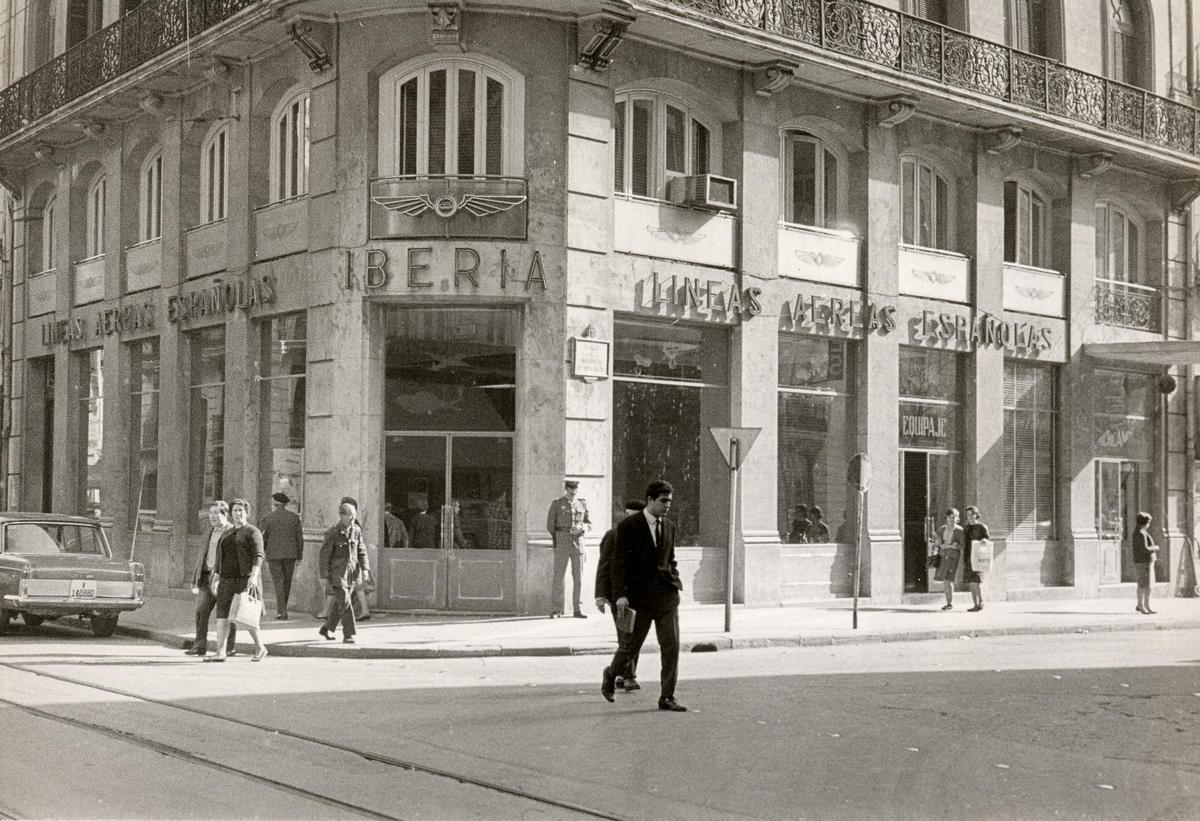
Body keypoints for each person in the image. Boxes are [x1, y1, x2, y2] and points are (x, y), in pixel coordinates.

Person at [601, 480, 687, 712]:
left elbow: (670, 559)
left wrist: (674, 580)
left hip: (667, 597)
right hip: (640, 599)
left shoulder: (669, 526)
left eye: (669, 501)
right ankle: (610, 674)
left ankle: (667, 696)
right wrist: (620, 595)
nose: (667, 505)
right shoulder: (629, 526)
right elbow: (618, 564)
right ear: (650, 500)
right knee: (630, 647)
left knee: (671, 647)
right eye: (663, 501)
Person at [206, 498, 268, 662]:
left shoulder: (252, 532)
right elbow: (221, 557)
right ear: (230, 513)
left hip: (245, 579)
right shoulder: (227, 533)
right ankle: (220, 652)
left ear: (247, 513)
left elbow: (258, 555)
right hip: (226, 580)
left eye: (241, 510)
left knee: (247, 616)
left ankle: (260, 647)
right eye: (234, 510)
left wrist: (254, 576)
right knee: (222, 615)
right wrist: (216, 576)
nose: (238, 513)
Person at [594, 499, 647, 692]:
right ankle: (629, 677)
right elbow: (604, 566)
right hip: (619, 596)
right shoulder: (613, 535)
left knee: (635, 637)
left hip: (640, 596)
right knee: (627, 636)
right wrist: (600, 595)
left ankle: (621, 674)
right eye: (630, 516)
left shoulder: (645, 536)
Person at [186, 500, 237, 657]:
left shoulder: (232, 532)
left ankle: (229, 647)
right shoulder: (209, 531)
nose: (212, 517)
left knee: (227, 614)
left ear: (225, 514)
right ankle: (199, 645)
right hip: (207, 576)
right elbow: (203, 555)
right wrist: (196, 576)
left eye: (216, 513)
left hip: (224, 579)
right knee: (201, 611)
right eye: (210, 513)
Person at [319, 499, 369, 644]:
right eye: (350, 517)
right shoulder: (333, 532)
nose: (353, 520)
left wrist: (365, 569)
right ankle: (348, 634)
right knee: (346, 602)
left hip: (352, 574)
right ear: (341, 516)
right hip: (337, 574)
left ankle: (327, 628)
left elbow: (361, 550)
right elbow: (324, 555)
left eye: (354, 516)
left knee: (341, 603)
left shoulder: (356, 530)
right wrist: (323, 575)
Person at [546, 479, 591, 618]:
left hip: (578, 543)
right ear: (566, 489)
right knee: (558, 576)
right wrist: (560, 537)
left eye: (575, 489)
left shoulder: (582, 503)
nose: (573, 492)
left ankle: (577, 609)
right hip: (562, 541)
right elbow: (550, 525)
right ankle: (556, 609)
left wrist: (581, 528)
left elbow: (589, 523)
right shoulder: (557, 504)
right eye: (571, 489)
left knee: (578, 578)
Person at [260, 491, 303, 620]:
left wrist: (262, 553)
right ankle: (282, 610)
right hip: (291, 554)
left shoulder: (268, 518)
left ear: (275, 503)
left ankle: (281, 611)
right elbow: (299, 538)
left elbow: (264, 538)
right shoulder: (294, 518)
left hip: (273, 554)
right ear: (285, 504)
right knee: (287, 582)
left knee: (278, 581)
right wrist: (299, 555)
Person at [934, 507, 964, 611]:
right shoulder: (942, 529)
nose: (952, 519)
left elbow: (962, 546)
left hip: (953, 558)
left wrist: (952, 546)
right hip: (943, 557)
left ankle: (950, 603)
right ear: (946, 518)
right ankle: (948, 602)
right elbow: (938, 544)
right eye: (950, 517)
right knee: (946, 581)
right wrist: (951, 546)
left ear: (958, 519)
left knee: (948, 580)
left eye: (955, 517)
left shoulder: (959, 531)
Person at [962, 504, 990, 613]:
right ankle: (974, 604)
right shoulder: (967, 528)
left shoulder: (982, 527)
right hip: (968, 557)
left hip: (979, 557)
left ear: (976, 515)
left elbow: (988, 541)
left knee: (977, 581)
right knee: (971, 582)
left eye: (971, 515)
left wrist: (984, 541)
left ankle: (981, 601)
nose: (969, 517)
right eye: (968, 515)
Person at [1132, 512, 1160, 614]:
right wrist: (1155, 548)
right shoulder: (1140, 533)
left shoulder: (1141, 532)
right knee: (1144, 585)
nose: (1149, 524)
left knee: (1147, 585)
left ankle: (1146, 605)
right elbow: (1144, 549)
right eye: (1148, 522)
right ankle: (1141, 605)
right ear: (1144, 523)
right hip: (1143, 562)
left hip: (1146, 562)